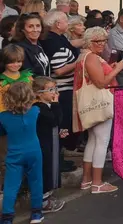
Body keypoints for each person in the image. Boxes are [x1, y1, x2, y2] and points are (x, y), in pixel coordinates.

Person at [73, 27, 123, 194]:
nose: (102, 44)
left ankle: (87, 181)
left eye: (104, 40)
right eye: (97, 41)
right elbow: (101, 83)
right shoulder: (92, 57)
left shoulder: (85, 56)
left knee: (93, 141)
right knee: (101, 142)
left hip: (90, 105)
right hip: (100, 104)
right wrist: (117, 69)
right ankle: (97, 183)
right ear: (89, 41)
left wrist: (109, 66)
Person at [0, 82, 44, 224]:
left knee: (11, 185)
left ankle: (7, 217)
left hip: (14, 154)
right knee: (36, 181)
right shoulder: (35, 111)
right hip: (34, 151)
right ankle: (36, 213)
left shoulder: (3, 117)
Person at [41, 10, 80, 167]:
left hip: (65, 88)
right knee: (62, 125)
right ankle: (58, 162)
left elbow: (71, 46)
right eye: (65, 21)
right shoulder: (53, 42)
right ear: (57, 24)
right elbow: (59, 69)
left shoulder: (59, 38)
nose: (68, 23)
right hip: (62, 90)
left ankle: (60, 158)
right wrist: (79, 62)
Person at [32, 77, 67, 213]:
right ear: (38, 93)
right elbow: (54, 120)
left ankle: (47, 197)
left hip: (50, 141)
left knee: (51, 168)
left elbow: (55, 124)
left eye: (55, 89)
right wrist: (56, 104)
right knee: (45, 170)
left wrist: (60, 131)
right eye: (51, 90)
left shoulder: (46, 106)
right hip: (43, 145)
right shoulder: (39, 108)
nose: (55, 93)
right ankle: (43, 203)